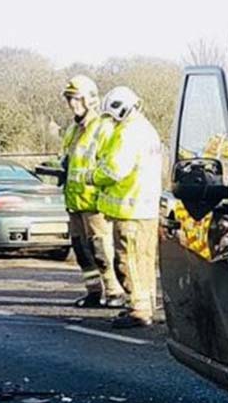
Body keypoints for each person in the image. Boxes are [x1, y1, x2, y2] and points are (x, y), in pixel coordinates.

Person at [95, 86, 164, 329]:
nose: (110, 120)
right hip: (147, 209)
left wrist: (93, 176)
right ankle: (146, 304)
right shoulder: (148, 130)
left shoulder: (127, 132)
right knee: (144, 260)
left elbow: (115, 169)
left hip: (130, 210)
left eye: (111, 115)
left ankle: (138, 310)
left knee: (128, 261)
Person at [58, 75, 123, 307]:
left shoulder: (103, 127)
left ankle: (114, 291)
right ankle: (93, 292)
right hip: (75, 199)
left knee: (101, 250)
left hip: (96, 201)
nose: (72, 104)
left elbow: (110, 163)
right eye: (69, 99)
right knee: (81, 249)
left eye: (76, 99)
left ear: (89, 99)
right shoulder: (72, 130)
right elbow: (69, 159)